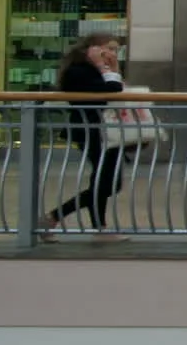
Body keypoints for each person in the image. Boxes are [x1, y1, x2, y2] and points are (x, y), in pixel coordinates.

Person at [39, 34, 128, 244]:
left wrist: (110, 69)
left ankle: (97, 227)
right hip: (91, 129)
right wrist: (108, 69)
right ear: (92, 49)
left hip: (107, 130)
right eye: (108, 49)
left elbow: (117, 90)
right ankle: (54, 217)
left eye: (116, 50)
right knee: (105, 182)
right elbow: (110, 91)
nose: (113, 55)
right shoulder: (79, 71)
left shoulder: (97, 71)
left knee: (106, 181)